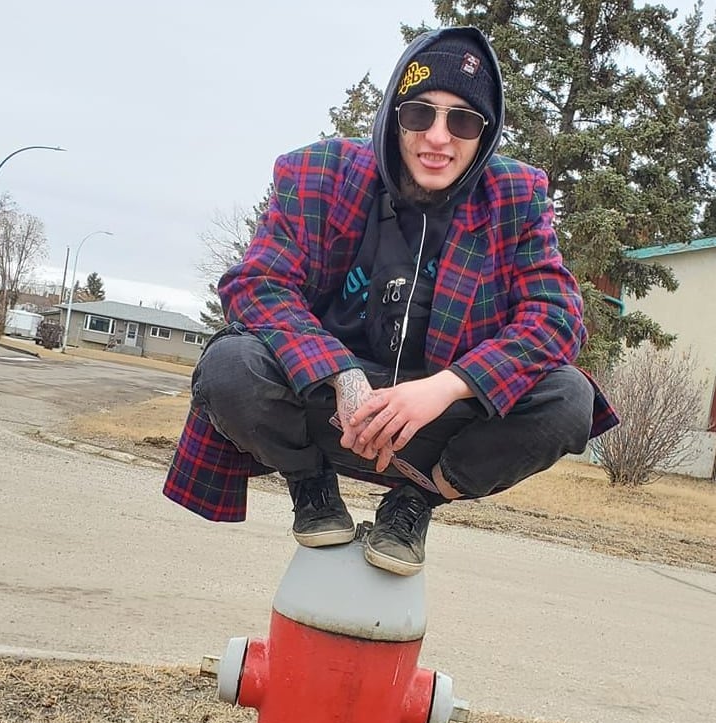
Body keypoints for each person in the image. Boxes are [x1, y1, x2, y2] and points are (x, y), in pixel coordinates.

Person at [163, 25, 618, 577]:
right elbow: (257, 285)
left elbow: (556, 318)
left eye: (463, 121)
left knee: (569, 398)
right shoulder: (320, 172)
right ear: (393, 115)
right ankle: (310, 484)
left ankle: (415, 501)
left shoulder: (516, 196)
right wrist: (341, 375)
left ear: (485, 133)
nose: (438, 137)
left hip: (434, 425)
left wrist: (444, 388)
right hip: (324, 407)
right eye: (420, 113)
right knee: (229, 365)